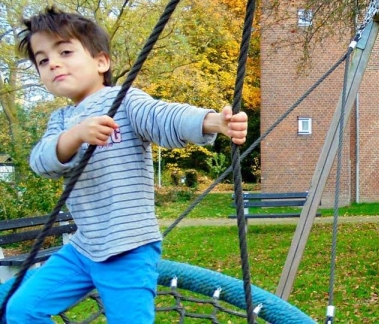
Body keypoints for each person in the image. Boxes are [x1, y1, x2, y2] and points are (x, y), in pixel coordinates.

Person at [6, 6, 248, 323]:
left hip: (128, 249)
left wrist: (213, 122)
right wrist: (77, 135)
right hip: (81, 249)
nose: (53, 63)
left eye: (65, 51)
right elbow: (42, 162)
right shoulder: (61, 121)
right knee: (20, 310)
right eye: (42, 60)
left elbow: (165, 118)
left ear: (101, 61)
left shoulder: (126, 101)